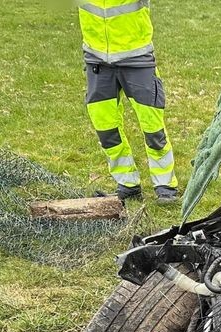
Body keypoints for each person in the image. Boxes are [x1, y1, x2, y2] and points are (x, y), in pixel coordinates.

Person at [78, 0, 179, 203]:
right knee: (107, 131)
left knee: (153, 129)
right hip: (97, 62)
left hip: (137, 60)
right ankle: (127, 183)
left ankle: (165, 186)